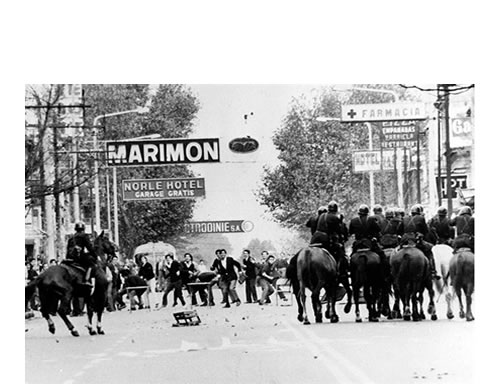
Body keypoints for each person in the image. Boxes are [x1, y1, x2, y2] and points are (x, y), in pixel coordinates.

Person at [402, 204, 438, 278]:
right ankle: (432, 270)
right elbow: (425, 231)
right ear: (419, 212)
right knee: (429, 250)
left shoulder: (404, 218)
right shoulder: (421, 218)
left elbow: (399, 230)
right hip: (416, 240)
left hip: (405, 241)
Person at [65, 221, 98, 287]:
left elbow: (68, 249)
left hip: (70, 257)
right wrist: (95, 256)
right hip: (79, 257)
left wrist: (67, 258)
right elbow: (89, 247)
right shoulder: (84, 236)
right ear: (83, 229)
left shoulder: (71, 237)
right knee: (91, 264)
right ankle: (86, 279)